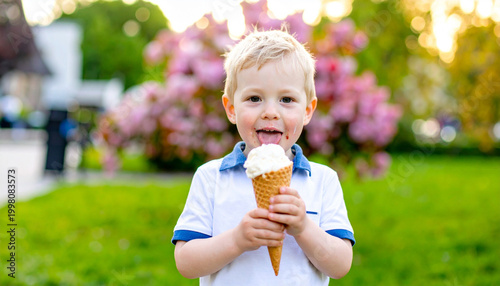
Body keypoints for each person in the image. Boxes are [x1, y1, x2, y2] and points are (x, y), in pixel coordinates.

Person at [172, 29, 355, 285]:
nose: (270, 112)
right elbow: (186, 263)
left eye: (287, 99)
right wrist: (237, 240)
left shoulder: (323, 180)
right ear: (231, 109)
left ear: (307, 110)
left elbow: (340, 265)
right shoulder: (211, 177)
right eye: (254, 98)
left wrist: (304, 227)